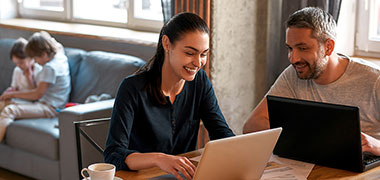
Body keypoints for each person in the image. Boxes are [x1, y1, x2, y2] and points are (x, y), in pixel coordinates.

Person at [104, 12, 235, 180]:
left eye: (203, 54)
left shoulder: (200, 82)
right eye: (189, 53)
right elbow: (113, 155)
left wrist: (240, 154)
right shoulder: (132, 88)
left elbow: (220, 132)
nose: (198, 63)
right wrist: (159, 159)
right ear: (166, 44)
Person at [243, 7, 380, 157]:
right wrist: (310, 139)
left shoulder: (375, 80)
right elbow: (252, 126)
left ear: (328, 47)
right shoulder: (293, 74)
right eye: (290, 48)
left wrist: (375, 145)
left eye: (302, 48)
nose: (293, 58)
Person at [0, 31, 70, 142]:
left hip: (51, 108)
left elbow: (37, 94)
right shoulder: (59, 54)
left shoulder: (49, 68)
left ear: (43, 55)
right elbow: (52, 41)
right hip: (48, 104)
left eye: (35, 58)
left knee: (9, 110)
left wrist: (12, 93)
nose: (35, 62)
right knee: (3, 103)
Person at [0, 37, 42, 110]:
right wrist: (10, 91)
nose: (19, 66)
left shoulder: (38, 70)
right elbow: (14, 87)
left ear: (31, 58)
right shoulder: (17, 70)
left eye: (21, 63)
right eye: (16, 63)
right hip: (18, 100)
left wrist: (29, 78)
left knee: (5, 105)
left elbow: (36, 97)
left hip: (31, 103)